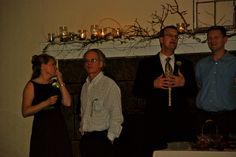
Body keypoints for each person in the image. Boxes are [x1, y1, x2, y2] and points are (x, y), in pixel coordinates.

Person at [133, 25, 197, 157]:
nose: (173, 39)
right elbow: (136, 91)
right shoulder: (146, 64)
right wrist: (153, 84)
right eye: (169, 35)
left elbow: (194, 92)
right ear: (161, 39)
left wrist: (183, 83)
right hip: (155, 122)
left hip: (180, 122)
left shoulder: (186, 64)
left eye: (176, 36)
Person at [21, 54, 73, 157]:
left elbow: (68, 102)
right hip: (43, 129)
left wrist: (60, 80)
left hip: (58, 127)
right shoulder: (31, 85)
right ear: (42, 66)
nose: (55, 67)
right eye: (52, 64)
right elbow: (25, 111)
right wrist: (46, 103)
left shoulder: (55, 84)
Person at [79, 49, 124, 157]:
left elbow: (116, 114)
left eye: (93, 60)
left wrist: (110, 138)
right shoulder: (85, 86)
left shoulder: (109, 85)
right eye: (86, 61)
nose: (89, 63)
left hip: (102, 140)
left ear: (101, 63)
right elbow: (83, 111)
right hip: (86, 140)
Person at [195, 26, 236, 139]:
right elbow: (199, 86)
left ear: (225, 39)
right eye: (209, 38)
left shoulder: (234, 63)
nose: (212, 41)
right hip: (202, 116)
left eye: (216, 37)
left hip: (227, 118)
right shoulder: (201, 64)